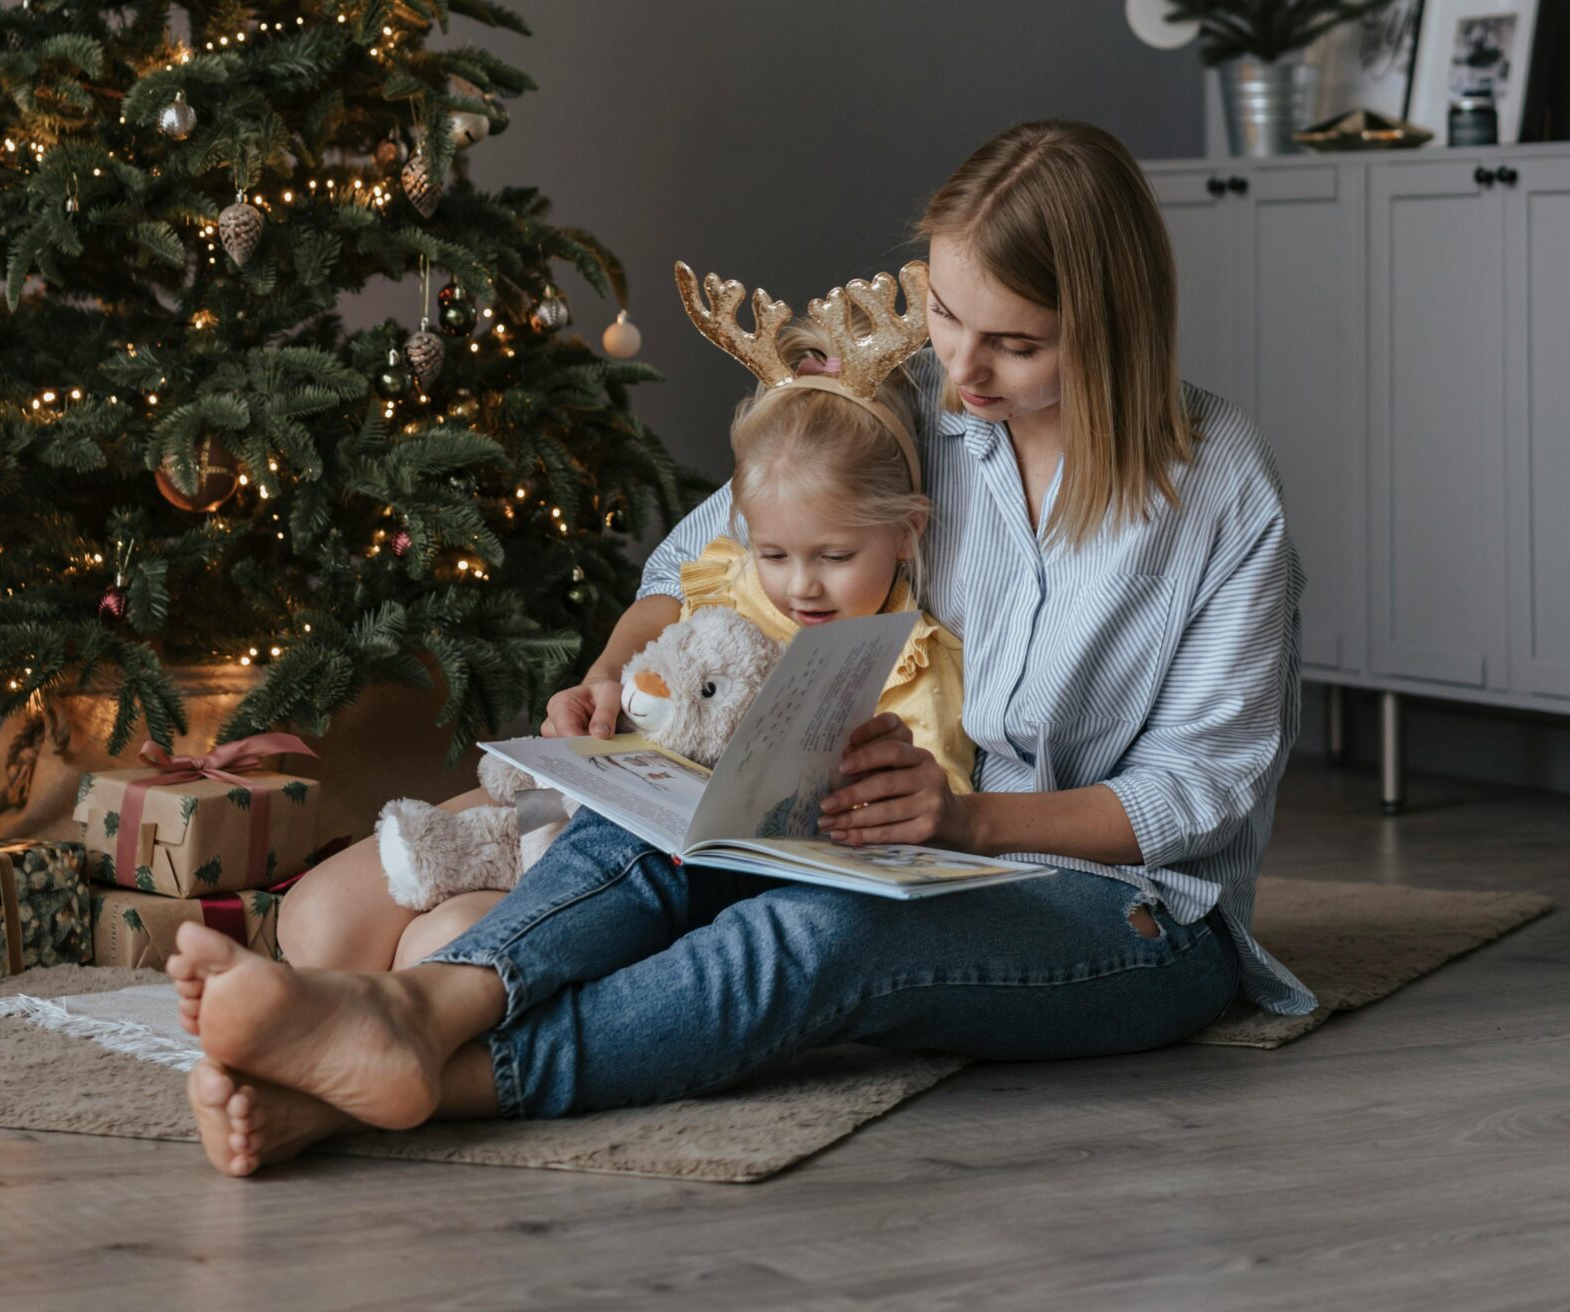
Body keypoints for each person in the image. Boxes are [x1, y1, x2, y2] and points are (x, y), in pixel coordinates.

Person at [174, 119, 1312, 1176]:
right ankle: (417, 1016)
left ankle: (411, 1078)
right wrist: (614, 672)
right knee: (660, 821)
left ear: (1113, 330)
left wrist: (963, 820)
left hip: (1131, 913)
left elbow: (1192, 793)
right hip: (889, 845)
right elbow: (692, 565)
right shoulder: (906, 403)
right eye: (948, 315)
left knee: (822, 935)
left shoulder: (1218, 488)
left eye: (1011, 344)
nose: (961, 372)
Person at [271, 287, 968, 974]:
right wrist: (602, 685)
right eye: (775, 553)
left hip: (677, 866)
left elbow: (920, 818)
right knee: (316, 925)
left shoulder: (909, 661)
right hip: (598, 794)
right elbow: (660, 611)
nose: (799, 586)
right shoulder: (727, 571)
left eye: (835, 558)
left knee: (440, 948)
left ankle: (427, 1022)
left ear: (907, 533)